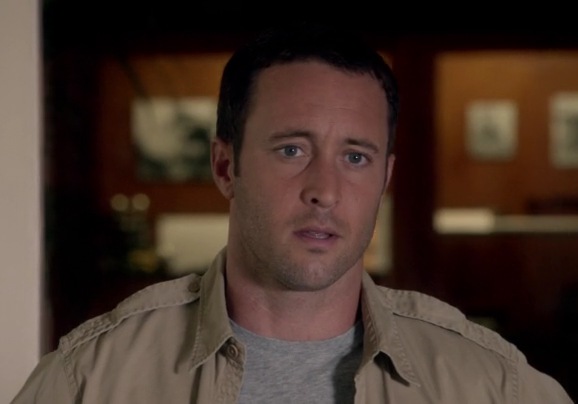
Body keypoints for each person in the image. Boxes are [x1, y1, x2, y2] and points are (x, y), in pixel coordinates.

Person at [11, 21, 573, 404]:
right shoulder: (92, 380)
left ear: (384, 179)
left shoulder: (490, 385)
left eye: (356, 157)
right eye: (291, 150)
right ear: (225, 166)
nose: (324, 190)